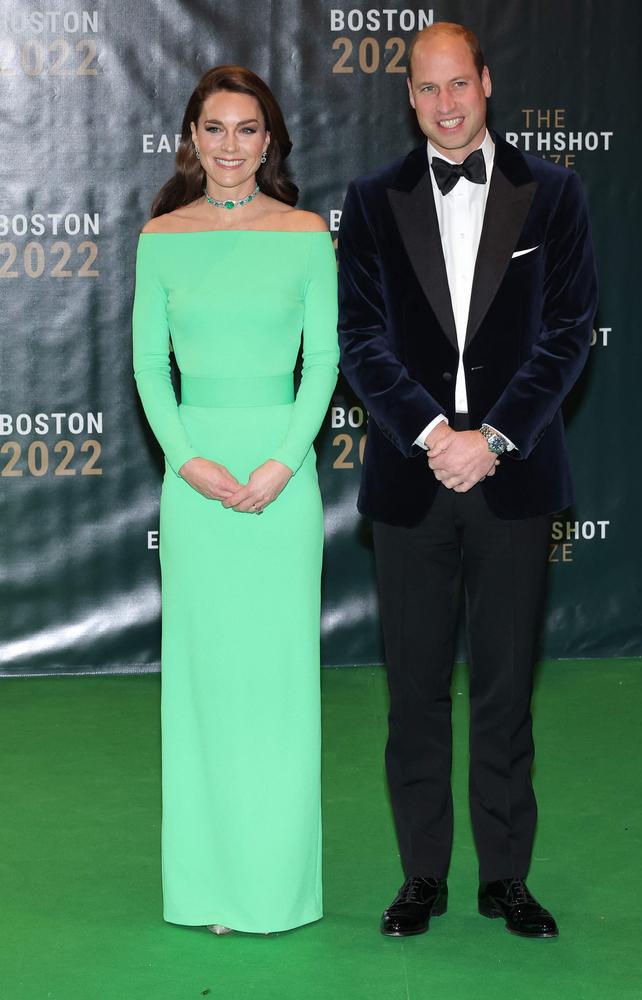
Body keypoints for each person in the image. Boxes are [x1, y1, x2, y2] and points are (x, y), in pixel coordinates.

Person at [338, 23, 597, 939]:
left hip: (512, 476)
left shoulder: (554, 194)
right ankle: (422, 877)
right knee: (411, 692)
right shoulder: (373, 201)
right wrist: (429, 434)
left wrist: (489, 437)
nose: (446, 105)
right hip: (412, 483)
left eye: (461, 84)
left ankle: (506, 878)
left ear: (486, 83)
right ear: (408, 97)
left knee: (502, 687)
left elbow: (569, 332)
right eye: (428, 89)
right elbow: (360, 340)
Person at [132, 65, 338, 935]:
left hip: (281, 487)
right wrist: (187, 462)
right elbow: (150, 366)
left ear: (270, 140)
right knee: (206, 685)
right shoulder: (159, 237)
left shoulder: (305, 234)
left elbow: (322, 363)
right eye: (213, 128)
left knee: (278, 684)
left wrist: (284, 464)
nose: (230, 146)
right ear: (191, 138)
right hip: (197, 488)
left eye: (247, 129)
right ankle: (211, 885)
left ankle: (275, 886)